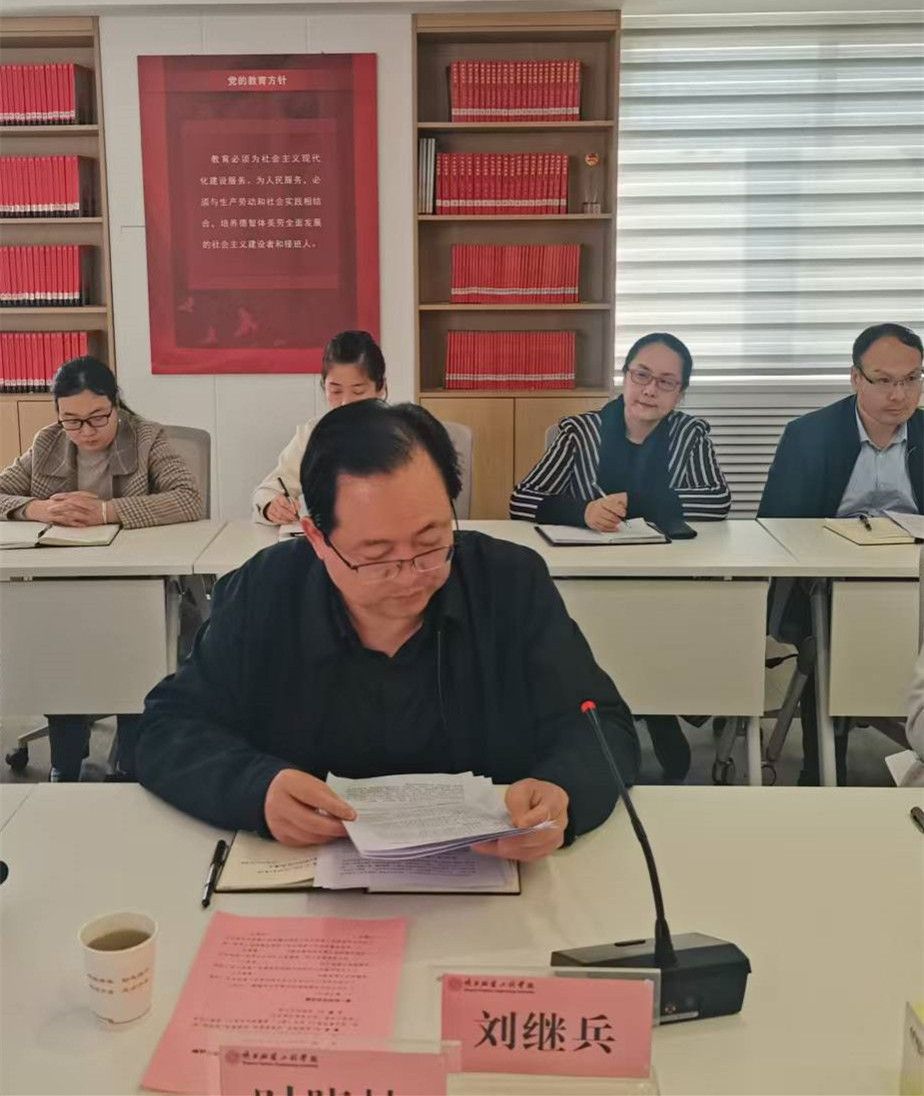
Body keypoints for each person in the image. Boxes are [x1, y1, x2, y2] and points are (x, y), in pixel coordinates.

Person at [137, 401, 640, 858]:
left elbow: (601, 724)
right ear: (317, 537)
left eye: (430, 542)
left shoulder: (508, 582)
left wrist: (563, 791)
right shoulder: (266, 591)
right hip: (305, 885)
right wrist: (255, 790)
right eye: (376, 556)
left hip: (493, 877)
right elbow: (168, 727)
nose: (409, 575)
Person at [509, 332, 731, 781]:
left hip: (670, 580)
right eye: (641, 375)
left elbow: (716, 501)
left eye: (666, 382)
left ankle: (661, 708)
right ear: (624, 377)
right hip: (587, 582)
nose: (650, 390)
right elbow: (523, 500)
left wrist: (636, 502)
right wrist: (583, 511)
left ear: (680, 393)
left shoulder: (690, 434)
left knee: (668, 624)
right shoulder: (580, 432)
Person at [0, 355, 204, 781]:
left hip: (136, 585)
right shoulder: (47, 442)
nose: (86, 431)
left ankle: (129, 762)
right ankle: (65, 760)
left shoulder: (147, 438)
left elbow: (188, 498)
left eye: (97, 417)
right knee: (57, 649)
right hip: (61, 584)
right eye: (72, 421)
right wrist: (37, 508)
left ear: (116, 404)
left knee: (131, 660)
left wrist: (107, 512)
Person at [759, 322, 923, 785]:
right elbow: (777, 525)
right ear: (856, 378)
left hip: (914, 578)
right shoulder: (808, 435)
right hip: (829, 583)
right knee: (828, 638)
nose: (899, 394)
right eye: (884, 380)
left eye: (911, 379)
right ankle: (823, 768)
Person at [252, 330, 386, 524]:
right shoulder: (312, 435)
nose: (345, 403)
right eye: (336, 391)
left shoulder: (406, 435)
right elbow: (268, 490)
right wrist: (271, 506)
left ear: (380, 388)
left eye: (358, 391)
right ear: (324, 387)